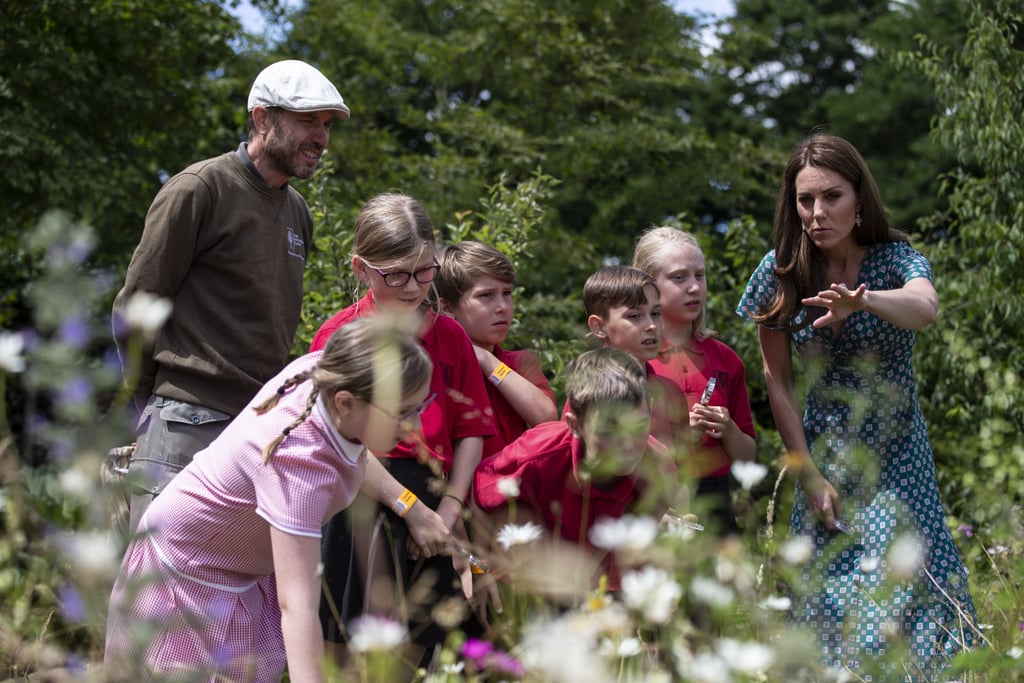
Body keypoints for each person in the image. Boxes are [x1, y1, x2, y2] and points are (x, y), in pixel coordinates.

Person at [736, 134, 976, 678]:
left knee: (913, 583)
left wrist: (863, 298)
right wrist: (807, 471)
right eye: (805, 200)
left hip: (899, 452)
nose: (817, 213)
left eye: (832, 197)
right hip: (824, 455)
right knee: (832, 593)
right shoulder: (779, 272)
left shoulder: (896, 260)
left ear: (860, 199)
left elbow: (925, 307)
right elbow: (778, 381)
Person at [104, 318, 433, 683]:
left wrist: (408, 505)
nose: (416, 427)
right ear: (346, 403)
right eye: (403, 412)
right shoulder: (296, 465)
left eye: (421, 406)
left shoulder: (327, 374)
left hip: (240, 568)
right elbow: (298, 605)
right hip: (188, 577)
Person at [112, 59, 349, 534]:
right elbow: (135, 308)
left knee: (228, 596)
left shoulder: (298, 212)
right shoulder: (200, 189)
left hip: (258, 430)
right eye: (308, 121)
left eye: (325, 125)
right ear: (263, 118)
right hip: (184, 425)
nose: (321, 138)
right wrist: (148, 409)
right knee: (165, 591)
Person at [310, 193, 494, 676]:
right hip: (362, 496)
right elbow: (337, 440)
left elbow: (471, 430)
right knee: (348, 655)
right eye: (397, 274)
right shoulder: (339, 336)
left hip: (437, 500)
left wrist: (447, 512)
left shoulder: (450, 335)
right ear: (361, 268)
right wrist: (410, 511)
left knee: (415, 657)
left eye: (425, 271)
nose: (414, 287)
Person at [472, 347, 675, 607]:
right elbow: (480, 497)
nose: (627, 444)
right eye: (609, 430)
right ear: (574, 424)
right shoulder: (536, 456)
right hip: (518, 585)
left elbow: (638, 527)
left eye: (637, 426)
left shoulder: (657, 466)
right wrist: (479, 569)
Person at [633, 227, 756, 536]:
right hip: (649, 498)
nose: (693, 287)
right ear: (647, 285)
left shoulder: (726, 360)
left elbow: (747, 459)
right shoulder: (632, 357)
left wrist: (728, 429)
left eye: (699, 276)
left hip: (715, 500)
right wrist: (676, 434)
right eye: (679, 277)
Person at [434, 240, 557, 457]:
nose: (502, 307)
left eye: (507, 293)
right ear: (447, 308)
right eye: (486, 295)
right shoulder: (438, 368)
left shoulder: (520, 362)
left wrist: (488, 362)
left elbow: (546, 416)